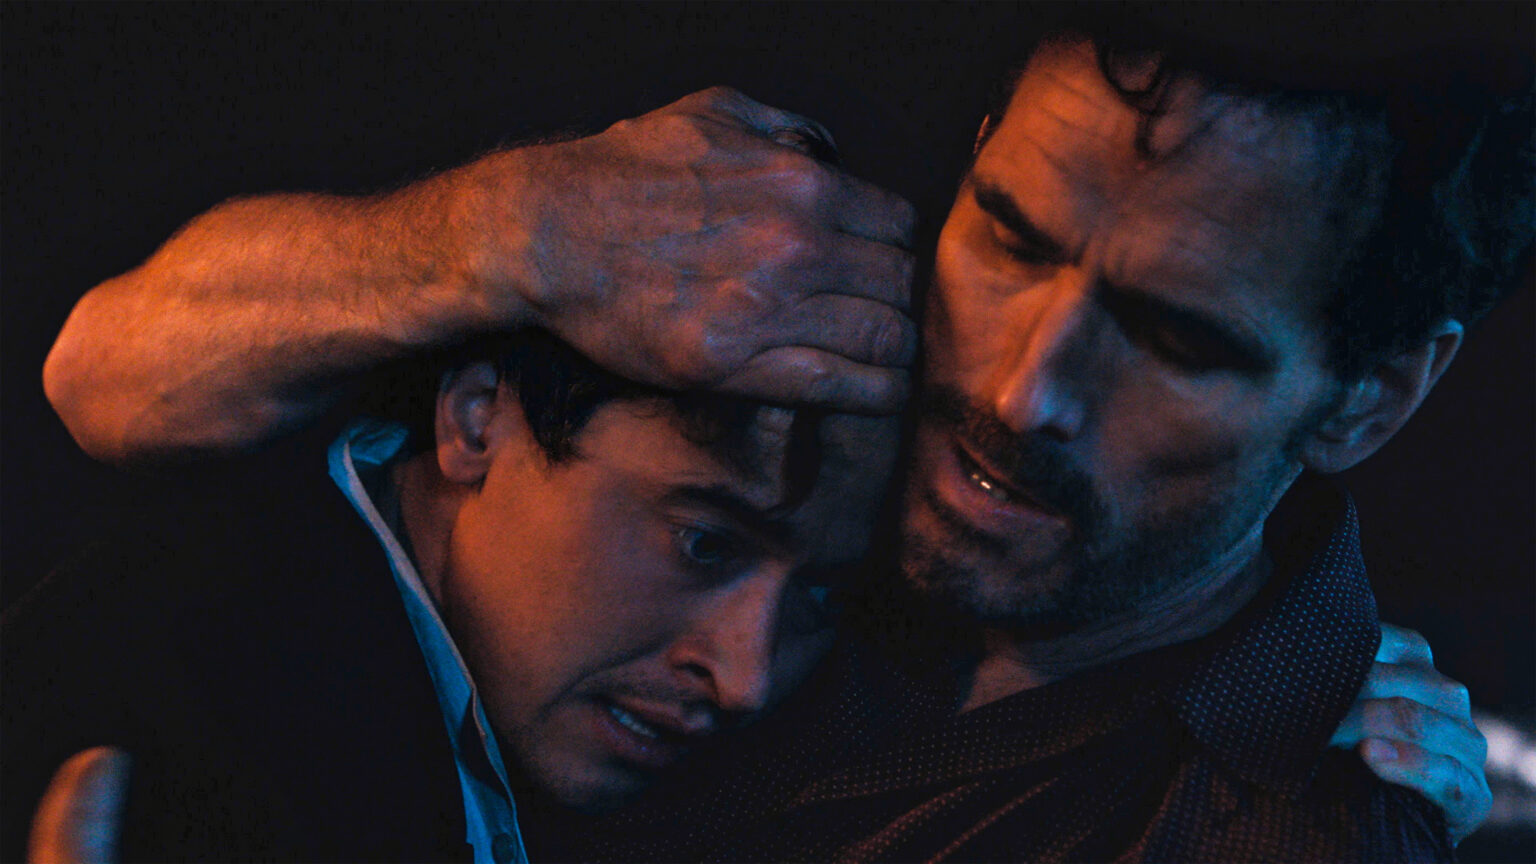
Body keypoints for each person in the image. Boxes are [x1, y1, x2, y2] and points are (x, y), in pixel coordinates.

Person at [31, 10, 1526, 861]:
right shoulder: (806, 372)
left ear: (1373, 396)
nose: (1022, 391)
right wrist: (509, 234)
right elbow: (107, 368)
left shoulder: (1278, 822)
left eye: (1176, 339)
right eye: (1009, 237)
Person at [2, 330, 899, 862]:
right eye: (704, 543)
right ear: (477, 421)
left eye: (820, 596)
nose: (746, 677)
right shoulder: (194, 696)